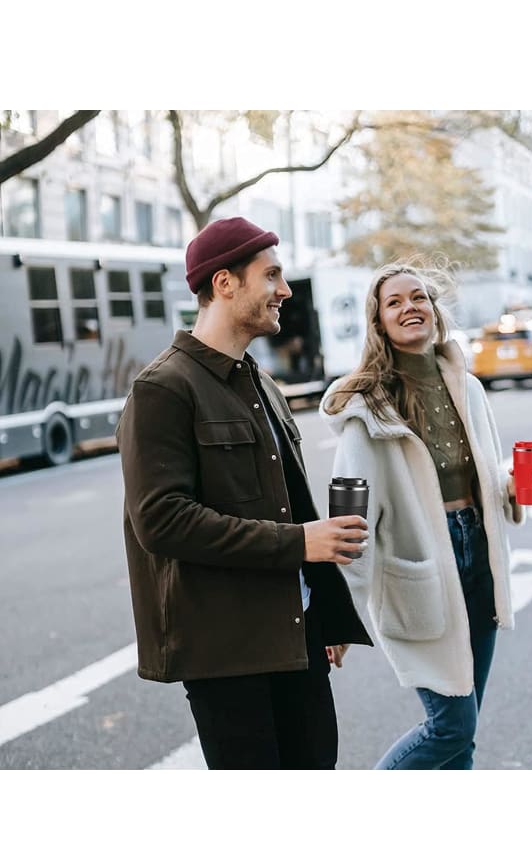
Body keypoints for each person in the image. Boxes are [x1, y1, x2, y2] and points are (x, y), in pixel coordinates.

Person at [116, 216, 372, 770]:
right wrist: (298, 543)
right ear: (224, 283)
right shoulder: (162, 389)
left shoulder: (262, 383)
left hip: (296, 639)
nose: (284, 291)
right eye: (272, 275)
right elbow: (160, 521)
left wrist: (324, 613)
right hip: (226, 654)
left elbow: (289, 505)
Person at [320, 261, 532, 769]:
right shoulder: (367, 406)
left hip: (478, 557)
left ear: (434, 309)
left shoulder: (469, 388)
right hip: (420, 566)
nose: (410, 308)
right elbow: (348, 512)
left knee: (463, 736)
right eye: (394, 302)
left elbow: (482, 475)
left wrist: (511, 488)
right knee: (450, 726)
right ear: (379, 322)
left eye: (418, 297)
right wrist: (339, 609)